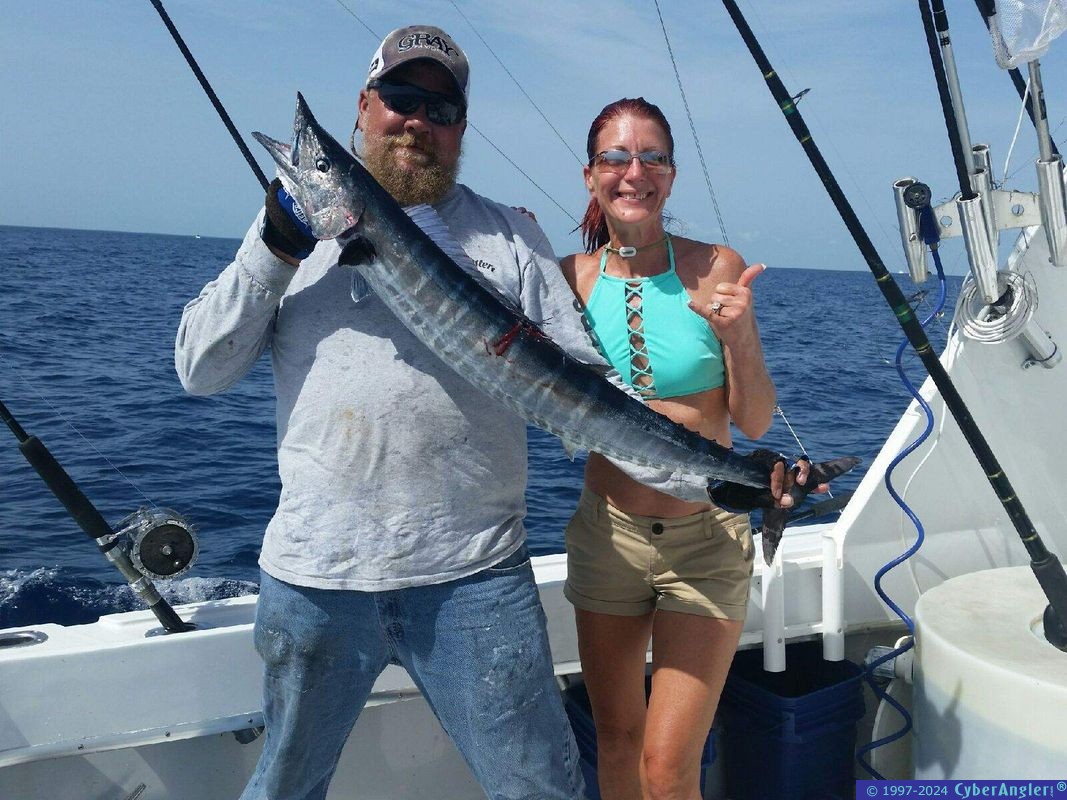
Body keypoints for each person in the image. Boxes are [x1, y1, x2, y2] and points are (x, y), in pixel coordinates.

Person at [175, 25, 590, 800]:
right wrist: (273, 247)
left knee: (540, 788)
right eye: (399, 98)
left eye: (439, 107)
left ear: (460, 128)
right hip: (316, 576)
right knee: (283, 788)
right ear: (365, 106)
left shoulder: (512, 234)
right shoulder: (288, 230)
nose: (416, 120)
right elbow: (200, 369)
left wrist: (691, 452)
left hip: (475, 576)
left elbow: (581, 379)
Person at [558, 97, 792, 800]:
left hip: (705, 542)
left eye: (651, 157)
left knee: (667, 768)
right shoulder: (568, 279)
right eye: (616, 157)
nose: (635, 172)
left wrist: (739, 335)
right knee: (618, 744)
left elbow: (752, 422)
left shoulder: (717, 265)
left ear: (671, 174)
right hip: (608, 537)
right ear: (590, 175)